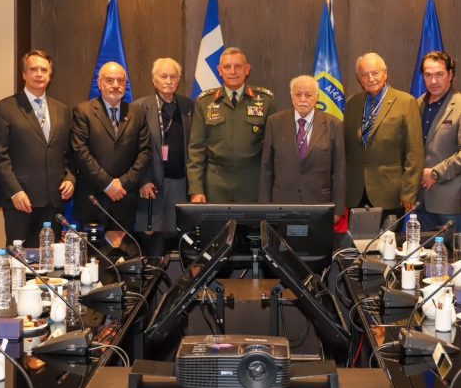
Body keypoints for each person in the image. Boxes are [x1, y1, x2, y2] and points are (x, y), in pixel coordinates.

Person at [0, 50, 75, 247]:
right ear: (24, 74)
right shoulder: (6, 108)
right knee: (19, 260)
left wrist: (70, 178)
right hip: (21, 201)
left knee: (50, 260)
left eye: (44, 70)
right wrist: (15, 192)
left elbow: (69, 154)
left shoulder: (62, 110)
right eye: (33, 69)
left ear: (50, 76)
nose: (39, 74)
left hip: (53, 201)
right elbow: (0, 156)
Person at [71, 62, 152, 246]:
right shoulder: (83, 111)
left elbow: (145, 152)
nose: (116, 85)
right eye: (109, 80)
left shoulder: (137, 113)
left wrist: (123, 183)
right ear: (100, 83)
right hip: (93, 201)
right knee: (91, 258)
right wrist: (107, 184)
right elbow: (80, 152)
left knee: (124, 258)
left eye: (120, 81)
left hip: (125, 200)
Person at [187, 47, 276, 203]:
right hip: (215, 182)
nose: (233, 71)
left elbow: (273, 149)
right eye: (227, 67)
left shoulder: (265, 100)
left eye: (238, 66)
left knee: (251, 220)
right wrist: (196, 189)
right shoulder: (205, 102)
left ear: (247, 69)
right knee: (217, 220)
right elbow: (196, 149)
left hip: (252, 182)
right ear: (220, 71)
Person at [344, 52, 424, 218]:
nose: (371, 79)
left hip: (390, 194)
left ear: (385, 73)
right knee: (359, 236)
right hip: (355, 193)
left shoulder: (406, 102)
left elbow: (415, 152)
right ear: (359, 79)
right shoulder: (352, 103)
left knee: (388, 236)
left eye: (375, 73)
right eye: (365, 75)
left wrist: (409, 193)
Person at [259, 75, 346, 216]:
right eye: (298, 94)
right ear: (291, 96)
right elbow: (266, 168)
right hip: (282, 203)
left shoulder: (334, 125)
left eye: (308, 95)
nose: (303, 99)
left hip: (319, 204)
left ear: (317, 97)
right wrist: (264, 207)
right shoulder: (274, 122)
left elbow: (339, 171)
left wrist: (338, 210)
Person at [134, 58, 194, 256]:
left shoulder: (189, 107)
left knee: (181, 243)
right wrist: (143, 180)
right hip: (152, 187)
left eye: (173, 77)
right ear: (154, 80)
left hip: (181, 185)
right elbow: (133, 149)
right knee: (154, 247)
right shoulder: (139, 107)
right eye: (163, 76)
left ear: (179, 80)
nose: (168, 81)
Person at [416, 51, 461, 233]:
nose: (433, 81)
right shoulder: (418, 103)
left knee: (451, 250)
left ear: (450, 74)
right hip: (420, 198)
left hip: (449, 199)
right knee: (422, 250)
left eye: (439, 74)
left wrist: (436, 173)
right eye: (428, 75)